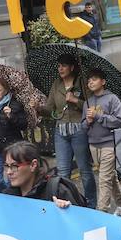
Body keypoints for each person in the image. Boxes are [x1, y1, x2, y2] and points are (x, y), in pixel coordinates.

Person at [45, 52, 96, 204]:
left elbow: (91, 106)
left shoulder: (81, 83)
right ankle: (67, 202)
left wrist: (75, 100)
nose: (60, 69)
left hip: (79, 129)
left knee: (85, 170)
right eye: (59, 66)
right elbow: (49, 108)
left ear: (72, 67)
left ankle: (91, 203)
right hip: (61, 130)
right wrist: (38, 108)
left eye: (64, 66)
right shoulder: (56, 84)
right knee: (62, 172)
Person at [84, 68, 121, 217]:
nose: (91, 82)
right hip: (93, 144)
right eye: (89, 80)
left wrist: (98, 116)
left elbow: (119, 121)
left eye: (94, 79)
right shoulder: (88, 101)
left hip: (109, 143)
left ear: (103, 82)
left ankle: (102, 212)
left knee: (104, 178)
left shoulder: (112, 99)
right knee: (110, 176)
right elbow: (83, 125)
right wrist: (88, 122)